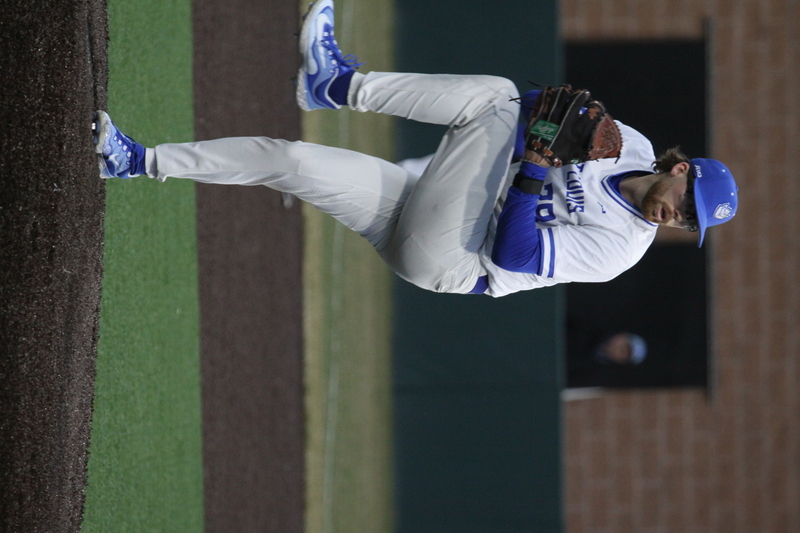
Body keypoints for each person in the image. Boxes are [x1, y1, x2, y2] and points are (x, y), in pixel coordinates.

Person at [93, 0, 738, 298]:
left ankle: (338, 83)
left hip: (457, 258)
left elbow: (514, 250)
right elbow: (548, 118)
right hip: (431, 205)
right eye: (689, 204)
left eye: (690, 224)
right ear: (679, 170)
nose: (680, 219)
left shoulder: (619, 251)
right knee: (288, 161)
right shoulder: (633, 146)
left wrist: (537, 163)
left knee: (497, 100)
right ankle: (134, 160)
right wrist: (537, 142)